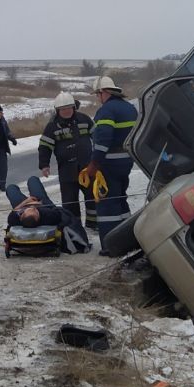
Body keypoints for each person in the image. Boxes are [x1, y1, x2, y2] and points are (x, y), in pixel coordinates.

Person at [81, 75, 137, 255]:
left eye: (98, 94)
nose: (98, 98)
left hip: (109, 165)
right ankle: (128, 240)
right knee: (121, 200)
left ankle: (111, 245)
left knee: (106, 206)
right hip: (127, 162)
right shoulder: (129, 108)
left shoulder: (106, 111)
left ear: (104, 92)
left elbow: (103, 140)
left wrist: (94, 164)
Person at [38, 92, 97, 231]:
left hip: (87, 167)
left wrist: (100, 157)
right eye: (63, 109)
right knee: (70, 201)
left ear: (74, 107)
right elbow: (44, 147)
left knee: (92, 197)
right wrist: (44, 165)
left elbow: (98, 137)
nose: (66, 111)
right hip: (67, 170)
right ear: (57, 110)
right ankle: (74, 226)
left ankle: (93, 224)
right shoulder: (52, 126)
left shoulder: (84, 119)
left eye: (69, 108)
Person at [5, 175, 90, 253]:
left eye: (30, 210)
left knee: (10, 188)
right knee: (33, 180)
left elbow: (14, 211)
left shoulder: (15, 219)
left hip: (24, 205)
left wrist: (25, 203)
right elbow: (55, 210)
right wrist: (37, 204)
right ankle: (33, 183)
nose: (32, 208)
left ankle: (18, 193)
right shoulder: (49, 216)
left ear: (21, 216)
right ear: (38, 217)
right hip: (43, 204)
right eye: (34, 211)